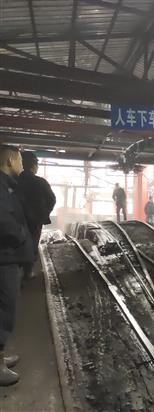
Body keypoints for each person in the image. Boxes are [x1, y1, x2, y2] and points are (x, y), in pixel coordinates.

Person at [0, 145, 34, 386]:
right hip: (5, 258)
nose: (23, 165)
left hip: (8, 256)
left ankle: (0, 357)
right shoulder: (2, 186)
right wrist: (21, 235)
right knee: (4, 310)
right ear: (10, 161)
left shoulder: (7, 185)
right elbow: (3, 220)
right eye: (20, 160)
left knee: (5, 309)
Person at [16, 151, 56, 279]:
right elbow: (52, 200)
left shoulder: (14, 180)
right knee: (32, 245)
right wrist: (42, 215)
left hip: (15, 220)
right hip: (34, 222)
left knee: (15, 245)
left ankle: (16, 271)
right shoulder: (40, 182)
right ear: (34, 166)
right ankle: (27, 273)